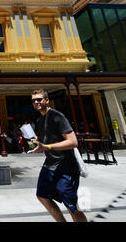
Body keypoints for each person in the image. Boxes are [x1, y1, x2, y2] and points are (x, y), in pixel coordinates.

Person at [29, 89, 87, 222]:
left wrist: (47, 147)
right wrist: (37, 143)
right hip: (50, 164)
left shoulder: (57, 116)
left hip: (66, 166)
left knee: (71, 205)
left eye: (39, 99)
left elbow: (73, 142)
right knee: (42, 196)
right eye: (33, 100)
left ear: (47, 100)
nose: (36, 102)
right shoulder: (39, 120)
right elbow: (46, 140)